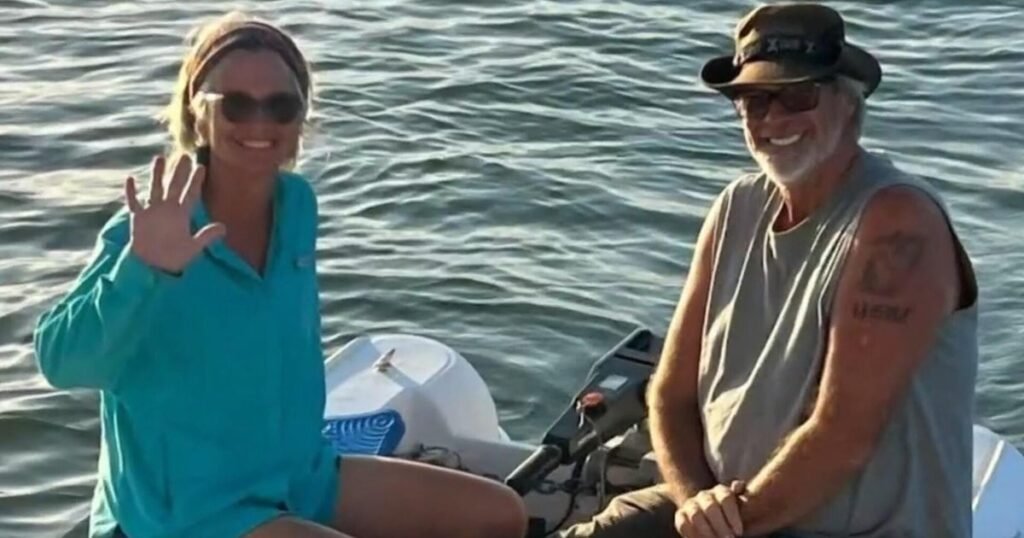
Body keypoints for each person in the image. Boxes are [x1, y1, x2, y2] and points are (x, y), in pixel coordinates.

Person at [33, 11, 527, 538]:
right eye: (236, 105)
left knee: (501, 516)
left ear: (301, 117)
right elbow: (61, 362)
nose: (259, 123)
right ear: (196, 111)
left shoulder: (296, 205)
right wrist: (144, 269)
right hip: (189, 515)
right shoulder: (154, 226)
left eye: (281, 106)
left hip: (301, 477)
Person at [561, 4, 978, 538]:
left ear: (848, 102)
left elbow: (843, 437)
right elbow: (670, 393)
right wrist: (696, 504)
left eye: (796, 96)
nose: (773, 120)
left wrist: (724, 526)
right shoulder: (735, 207)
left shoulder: (897, 222)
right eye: (754, 100)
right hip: (725, 511)